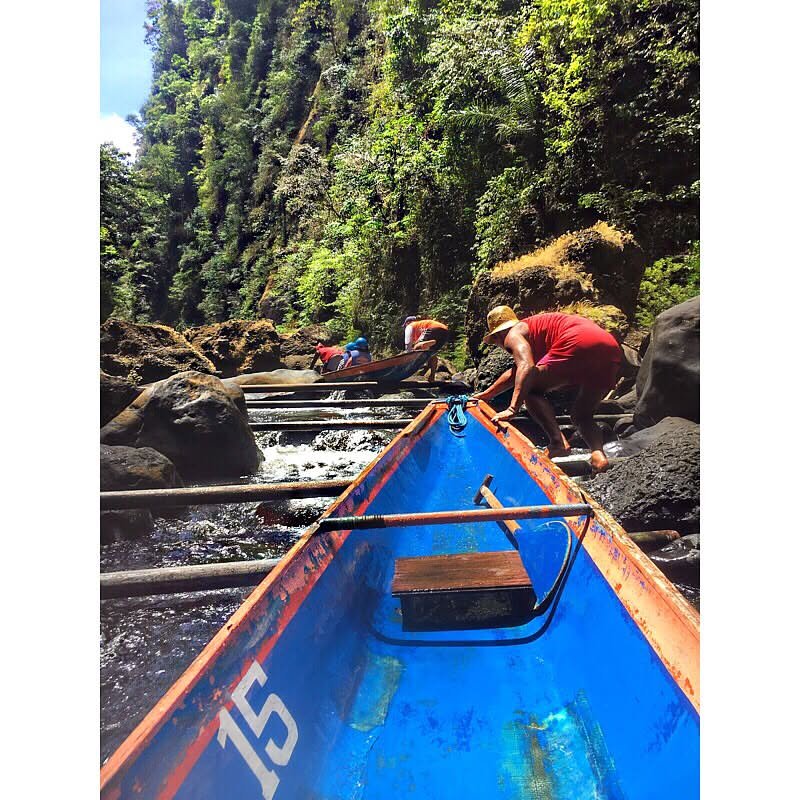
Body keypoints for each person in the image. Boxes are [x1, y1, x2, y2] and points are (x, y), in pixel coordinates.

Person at [474, 305, 621, 472]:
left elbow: (526, 366)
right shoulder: (537, 330)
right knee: (581, 415)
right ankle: (598, 455)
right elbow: (516, 372)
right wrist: (486, 395)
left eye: (496, 341)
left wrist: (512, 408)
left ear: (499, 335)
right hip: (610, 347)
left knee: (529, 388)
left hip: (577, 341)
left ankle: (558, 442)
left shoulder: (512, 334)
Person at [402, 316, 449, 382]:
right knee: (432, 355)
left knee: (417, 347)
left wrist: (407, 356)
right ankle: (432, 377)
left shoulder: (410, 326)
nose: (405, 328)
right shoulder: (420, 326)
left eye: (405, 325)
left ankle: (432, 342)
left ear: (408, 322)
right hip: (445, 331)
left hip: (433, 328)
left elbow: (407, 343)